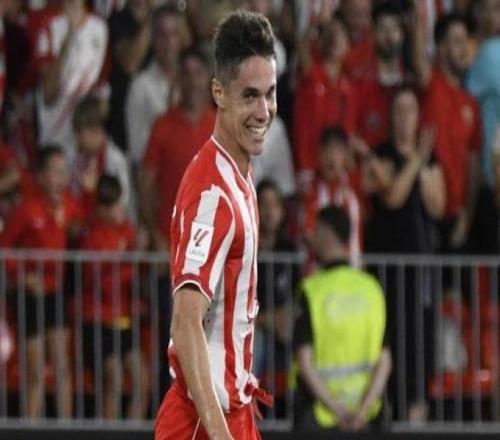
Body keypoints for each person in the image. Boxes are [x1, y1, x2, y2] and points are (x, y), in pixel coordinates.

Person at [154, 10, 277, 440]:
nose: (263, 111)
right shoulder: (212, 195)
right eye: (250, 96)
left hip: (231, 413)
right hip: (202, 424)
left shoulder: (238, 176)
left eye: (270, 94)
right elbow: (186, 323)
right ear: (218, 93)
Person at [363, 86, 445, 422]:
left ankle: (417, 413)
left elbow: (438, 206)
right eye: (399, 110)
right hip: (387, 270)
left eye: (411, 110)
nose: (405, 118)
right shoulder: (382, 154)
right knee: (393, 340)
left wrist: (421, 163)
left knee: (421, 343)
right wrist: (415, 161)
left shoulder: (429, 158)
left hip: (421, 268)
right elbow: (393, 196)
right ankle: (392, 413)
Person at [0, 146, 82, 418]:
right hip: (30, 297)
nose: (61, 178)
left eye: (64, 172)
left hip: (56, 293)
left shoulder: (70, 204)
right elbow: (5, 248)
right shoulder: (26, 209)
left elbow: (85, 225)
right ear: (42, 176)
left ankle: (67, 431)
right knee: (35, 371)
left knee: (62, 366)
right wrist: (23, 276)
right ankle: (31, 428)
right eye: (55, 172)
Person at [294, 206, 391, 432]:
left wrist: (339, 411)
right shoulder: (372, 288)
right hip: (367, 420)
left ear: (327, 233)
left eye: (316, 230)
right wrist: (362, 411)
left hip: (320, 419)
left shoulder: (311, 291)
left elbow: (305, 362)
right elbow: (384, 360)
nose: (312, 237)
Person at [412, 6, 482, 252]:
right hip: (426, 210)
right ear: (441, 49)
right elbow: (418, 62)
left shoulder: (471, 103)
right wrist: (416, 16)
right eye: (457, 42)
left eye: (466, 42)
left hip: (458, 218)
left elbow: (473, 167)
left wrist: (467, 217)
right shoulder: (431, 85)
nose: (464, 49)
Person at [81, 174, 149, 419]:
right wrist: (128, 258)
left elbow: (137, 270)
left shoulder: (127, 231)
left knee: (142, 381)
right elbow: (100, 280)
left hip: (124, 318)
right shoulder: (92, 235)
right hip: (99, 320)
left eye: (119, 203)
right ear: (101, 208)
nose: (119, 210)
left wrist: (138, 252)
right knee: (114, 379)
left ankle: (131, 431)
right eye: (112, 205)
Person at [140, 47, 215, 252]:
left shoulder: (222, 128)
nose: (193, 81)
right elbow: (146, 187)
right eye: (186, 74)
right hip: (171, 244)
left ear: (209, 78)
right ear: (178, 79)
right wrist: (156, 235)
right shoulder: (162, 126)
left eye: (198, 74)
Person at [35, 0, 108, 151]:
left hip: (84, 139)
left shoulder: (99, 28)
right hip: (55, 135)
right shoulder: (48, 26)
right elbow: (48, 94)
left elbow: (100, 85)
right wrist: (69, 37)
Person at [125, 4, 182, 168]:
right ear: (153, 39)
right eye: (163, 35)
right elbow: (137, 150)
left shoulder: (193, 82)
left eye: (174, 34)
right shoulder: (140, 86)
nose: (169, 43)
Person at [302, 125, 363, 265]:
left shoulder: (354, 189)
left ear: (346, 155)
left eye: (337, 150)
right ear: (319, 154)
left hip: (351, 269)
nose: (331, 157)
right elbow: (308, 233)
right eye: (327, 150)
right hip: (316, 270)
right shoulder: (309, 190)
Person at [69, 95, 134, 219]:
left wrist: (94, 191)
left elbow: (122, 202)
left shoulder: (115, 160)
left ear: (96, 131)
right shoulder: (76, 156)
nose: (77, 139)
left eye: (80, 133)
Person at [107, 0, 153, 151]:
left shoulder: (162, 17)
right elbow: (130, 64)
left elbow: (186, 44)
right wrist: (151, 20)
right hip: (123, 113)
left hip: (155, 108)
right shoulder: (117, 19)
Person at [466, 0, 500, 188]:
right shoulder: (485, 51)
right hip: (487, 168)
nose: (491, 16)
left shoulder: (492, 51)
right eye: (485, 9)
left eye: (497, 8)